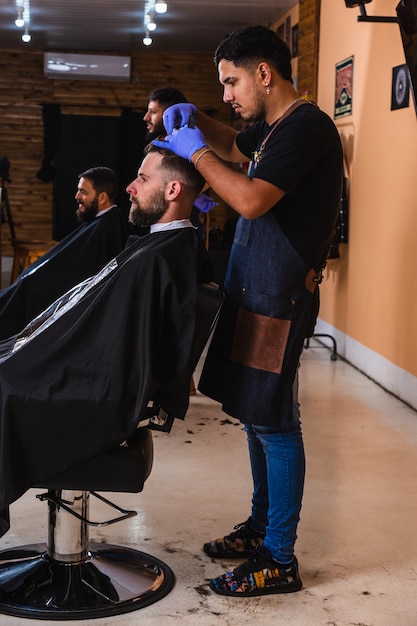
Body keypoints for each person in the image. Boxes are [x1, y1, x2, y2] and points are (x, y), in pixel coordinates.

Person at [153, 25, 344, 597]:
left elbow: (250, 197)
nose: (227, 95)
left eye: (232, 82)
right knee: (255, 416)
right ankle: (260, 529)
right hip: (254, 287)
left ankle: (279, 559)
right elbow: (237, 145)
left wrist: (195, 152)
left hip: (278, 295)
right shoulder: (273, 127)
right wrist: (196, 122)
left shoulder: (307, 125)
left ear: (265, 72)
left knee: (275, 423)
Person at [0, 144, 212, 539]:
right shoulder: (163, 247)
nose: (130, 188)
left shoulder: (157, 259)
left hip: (102, 396)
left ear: (172, 192)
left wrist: (33, 359)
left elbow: (108, 353)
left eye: (143, 179)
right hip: (96, 380)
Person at [0, 167, 132, 340]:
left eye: (83, 192)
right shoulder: (100, 221)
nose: (77, 196)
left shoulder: (106, 227)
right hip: (30, 287)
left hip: (43, 294)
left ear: (102, 197)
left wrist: (35, 281)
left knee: (20, 293)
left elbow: (84, 272)